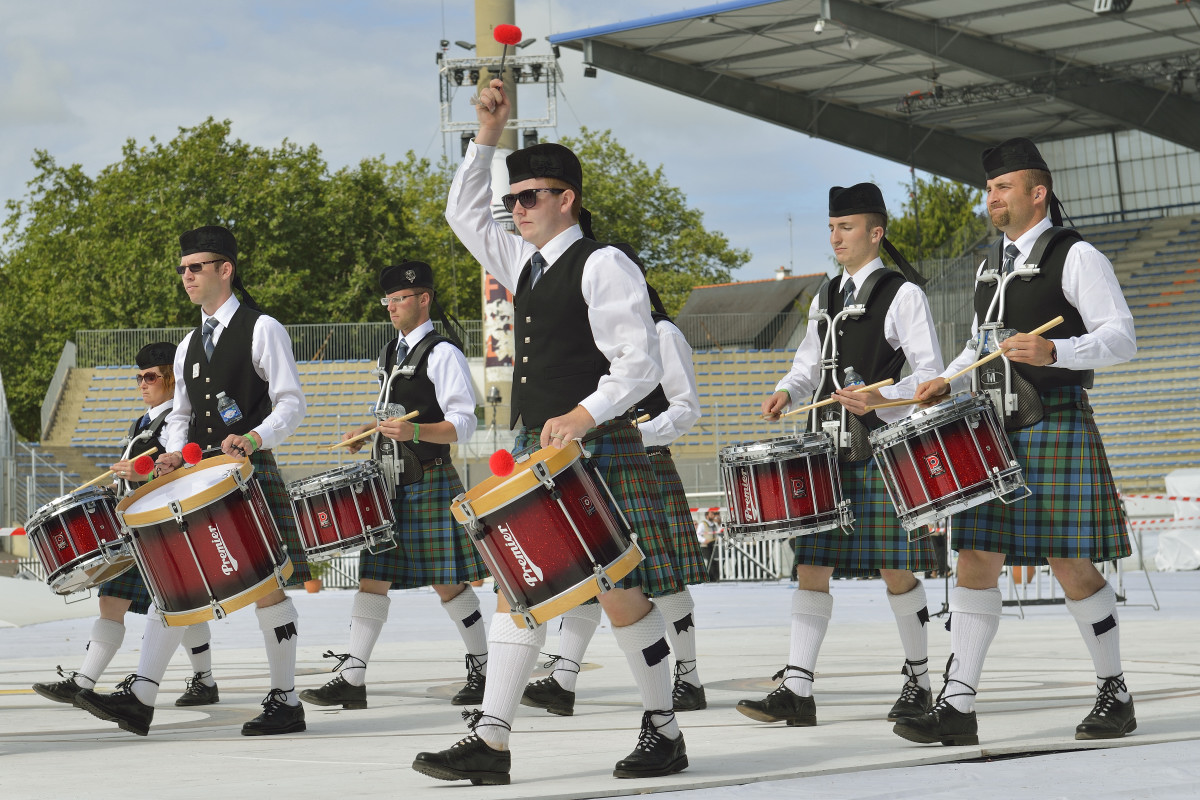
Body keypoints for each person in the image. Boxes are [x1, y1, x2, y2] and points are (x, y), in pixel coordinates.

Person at [412, 78, 687, 785]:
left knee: (622, 595)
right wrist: (487, 136)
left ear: (567, 197)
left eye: (530, 196)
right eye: (513, 199)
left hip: (596, 444)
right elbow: (460, 212)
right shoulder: (522, 264)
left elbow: (638, 360)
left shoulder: (603, 262)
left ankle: (662, 730)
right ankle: (492, 740)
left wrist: (584, 415)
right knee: (517, 586)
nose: (515, 209)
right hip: (546, 452)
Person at [895, 138, 1137, 746]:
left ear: (1038, 193)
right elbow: (981, 347)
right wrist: (939, 384)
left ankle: (1116, 692)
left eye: (1002, 188)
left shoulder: (1076, 255)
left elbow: (1123, 337)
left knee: (1070, 562)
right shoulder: (990, 266)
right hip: (994, 427)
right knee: (974, 558)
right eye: (988, 189)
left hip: (1055, 417)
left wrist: (1059, 350)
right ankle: (958, 705)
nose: (991, 198)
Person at [76, 225, 309, 737]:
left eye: (196, 267)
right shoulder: (185, 345)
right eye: (182, 268)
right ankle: (141, 695)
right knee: (175, 585)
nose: (187, 276)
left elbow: (291, 402)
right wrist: (170, 455)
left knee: (267, 587)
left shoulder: (262, 327)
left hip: (245, 471)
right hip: (195, 476)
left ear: (225, 269)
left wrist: (253, 437)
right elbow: (179, 415)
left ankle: (287, 699)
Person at [745, 182, 944, 729]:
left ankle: (919, 681)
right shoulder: (826, 295)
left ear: (875, 232)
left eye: (847, 227)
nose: (836, 236)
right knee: (811, 565)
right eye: (832, 227)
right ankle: (798, 688)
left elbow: (931, 376)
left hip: (879, 445)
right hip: (825, 447)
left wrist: (883, 396)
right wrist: (788, 388)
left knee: (895, 566)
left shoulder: (902, 293)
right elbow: (809, 362)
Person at [300, 262, 489, 710]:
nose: (391, 307)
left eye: (400, 299)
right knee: (373, 578)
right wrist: (367, 431)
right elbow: (397, 416)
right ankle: (353, 677)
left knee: (450, 582)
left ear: (423, 300)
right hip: (386, 483)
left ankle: (484, 667)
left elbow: (465, 424)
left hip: (427, 478)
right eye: (387, 300)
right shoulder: (389, 352)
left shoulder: (443, 353)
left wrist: (415, 434)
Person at [520, 268, 709, 717]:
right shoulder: (588, 337)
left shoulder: (663, 333)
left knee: (665, 578)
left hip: (644, 461)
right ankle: (564, 679)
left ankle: (690, 677)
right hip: (589, 462)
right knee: (589, 575)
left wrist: (630, 438)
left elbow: (685, 409)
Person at [32, 343, 219, 708]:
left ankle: (204, 680)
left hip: (168, 525)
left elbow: (185, 469)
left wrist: (141, 470)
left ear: (170, 378)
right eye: (139, 377)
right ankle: (83, 681)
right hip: (136, 525)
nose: (142, 383)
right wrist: (114, 485)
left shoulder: (184, 421)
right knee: (112, 600)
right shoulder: (141, 423)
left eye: (150, 377)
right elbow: (131, 472)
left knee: (176, 604)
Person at [696, 510, 722, 581]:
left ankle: (713, 577)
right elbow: (698, 535)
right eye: (711, 514)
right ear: (707, 515)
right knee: (710, 561)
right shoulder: (703, 524)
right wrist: (704, 540)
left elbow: (719, 531)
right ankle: (710, 577)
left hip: (714, 545)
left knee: (715, 561)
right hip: (706, 546)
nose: (713, 515)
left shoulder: (715, 524)